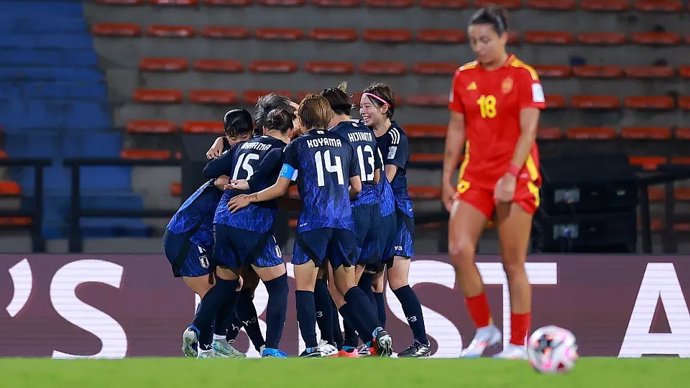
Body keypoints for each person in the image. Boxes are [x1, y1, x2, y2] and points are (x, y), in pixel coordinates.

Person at [229, 95, 393, 357]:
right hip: (343, 223)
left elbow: (281, 187)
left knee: (305, 287)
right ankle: (378, 333)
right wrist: (337, 198)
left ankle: (312, 347)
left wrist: (250, 196)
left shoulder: (298, 147)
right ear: (326, 118)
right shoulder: (343, 143)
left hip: (313, 223)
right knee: (347, 287)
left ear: (302, 122)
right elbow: (357, 187)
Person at [442, 6, 545, 359]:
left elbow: (529, 130)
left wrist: (511, 175)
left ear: (503, 37)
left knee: (512, 264)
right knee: (459, 250)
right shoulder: (463, 77)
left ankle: (518, 344)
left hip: (515, 176)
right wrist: (446, 176)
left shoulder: (523, 76)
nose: (479, 47)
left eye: (485, 40)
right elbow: (457, 128)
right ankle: (486, 329)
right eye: (473, 41)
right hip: (475, 175)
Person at [204, 108, 295, 358]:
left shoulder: (245, 145)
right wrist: (251, 193)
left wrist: (222, 145)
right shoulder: (286, 150)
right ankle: (271, 349)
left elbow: (210, 170)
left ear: (262, 128)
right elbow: (279, 188)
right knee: (278, 287)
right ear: (290, 131)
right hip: (255, 224)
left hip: (223, 220)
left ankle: (212, 339)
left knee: (234, 285)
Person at [170, 109, 254, 358]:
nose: (240, 142)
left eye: (245, 136)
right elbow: (218, 176)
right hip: (185, 236)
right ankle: (204, 346)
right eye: (233, 137)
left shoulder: (238, 152)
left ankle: (217, 342)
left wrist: (222, 140)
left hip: (197, 236)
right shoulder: (226, 169)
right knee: (213, 291)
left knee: (233, 284)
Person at [360, 83, 431, 357]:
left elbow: (387, 179)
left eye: (367, 106)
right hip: (375, 213)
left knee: (398, 282)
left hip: (397, 214)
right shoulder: (363, 133)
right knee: (373, 282)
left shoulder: (395, 137)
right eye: (360, 106)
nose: (362, 111)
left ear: (383, 108)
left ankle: (422, 342)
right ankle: (379, 345)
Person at [320, 84, 387, 357]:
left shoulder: (335, 137)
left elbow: (354, 186)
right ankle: (368, 341)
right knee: (359, 282)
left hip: (353, 212)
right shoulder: (365, 130)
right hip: (377, 211)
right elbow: (376, 176)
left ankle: (361, 341)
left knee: (339, 287)